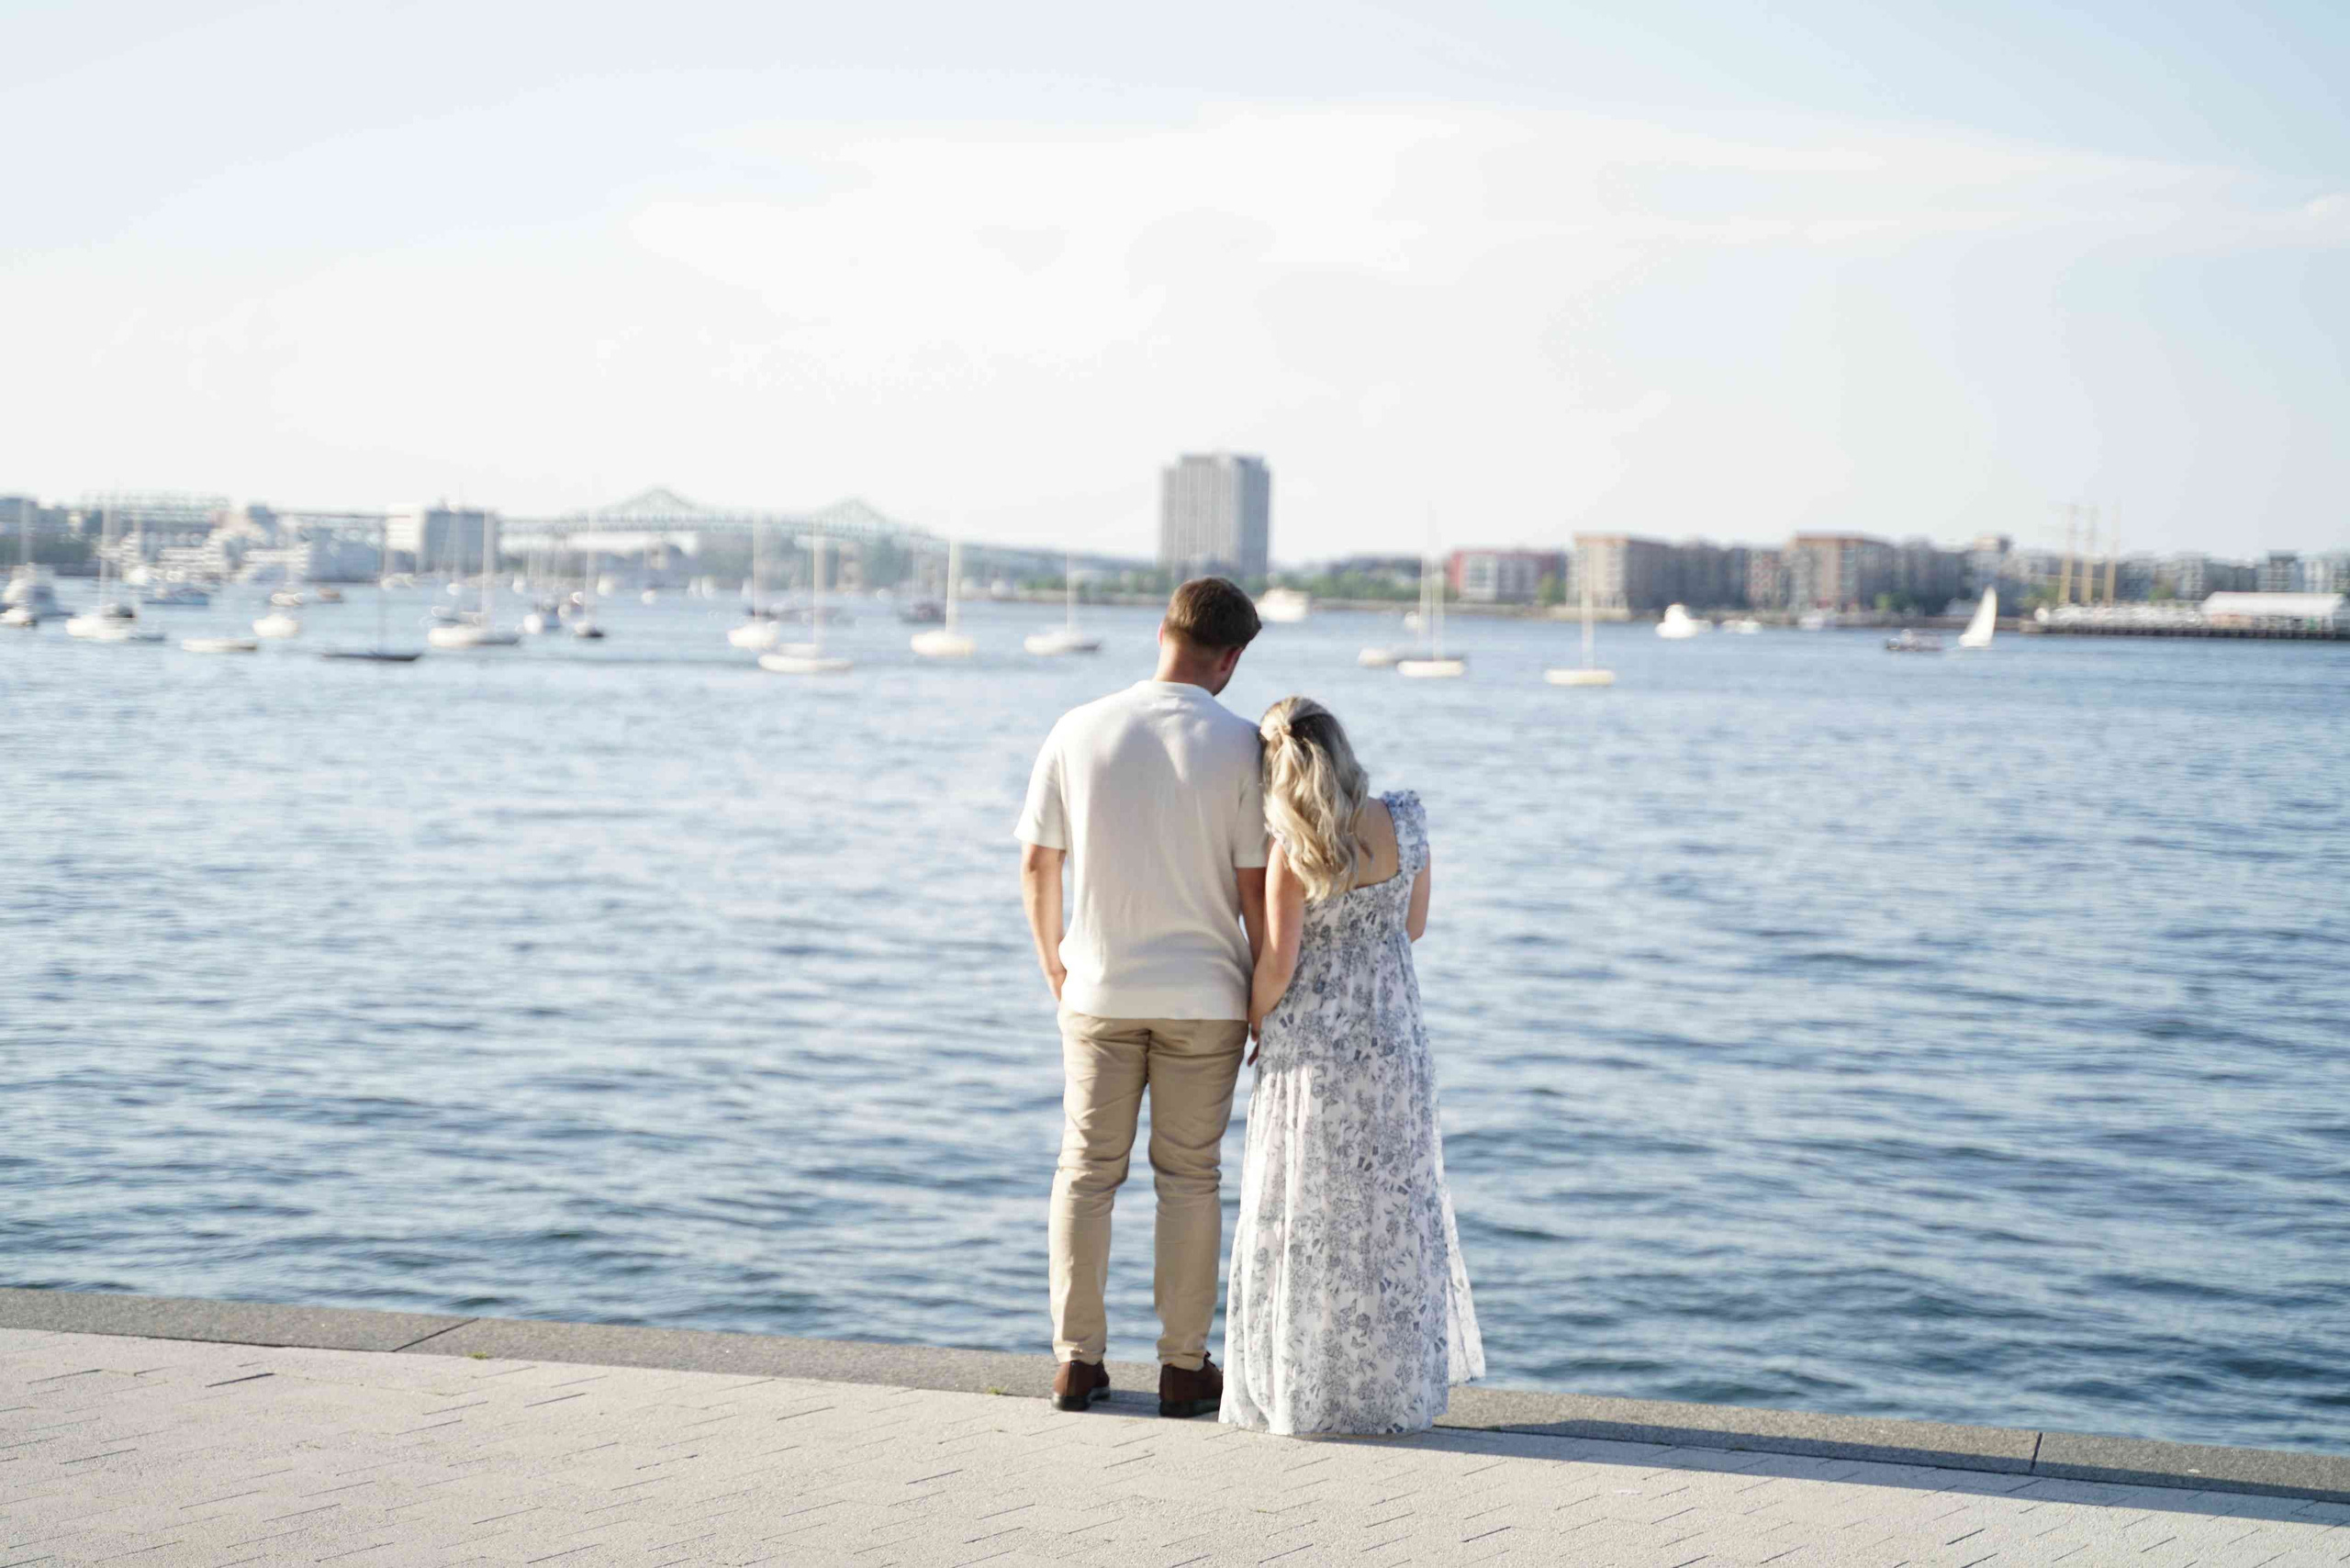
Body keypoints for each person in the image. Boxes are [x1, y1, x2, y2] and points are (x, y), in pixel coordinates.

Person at [1014, 577, 1267, 1418]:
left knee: (1085, 1173)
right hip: (1206, 997)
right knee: (1190, 1179)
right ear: (1231, 659)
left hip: (1100, 989)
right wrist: (1268, 993)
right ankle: (1181, 1368)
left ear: (1161, 630)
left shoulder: (1077, 728)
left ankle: (1076, 1363)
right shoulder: (1242, 745)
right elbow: (1255, 888)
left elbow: (1037, 863)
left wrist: (1056, 966)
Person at [1220, 697, 1483, 1436]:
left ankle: (1312, 1391)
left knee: (1307, 1216)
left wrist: (1251, 1022)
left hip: (1312, 1052)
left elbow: (1278, 962)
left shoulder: (1292, 847)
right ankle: (1390, 1392)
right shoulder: (1405, 819)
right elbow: (1415, 925)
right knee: (1389, 1213)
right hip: (1393, 1039)